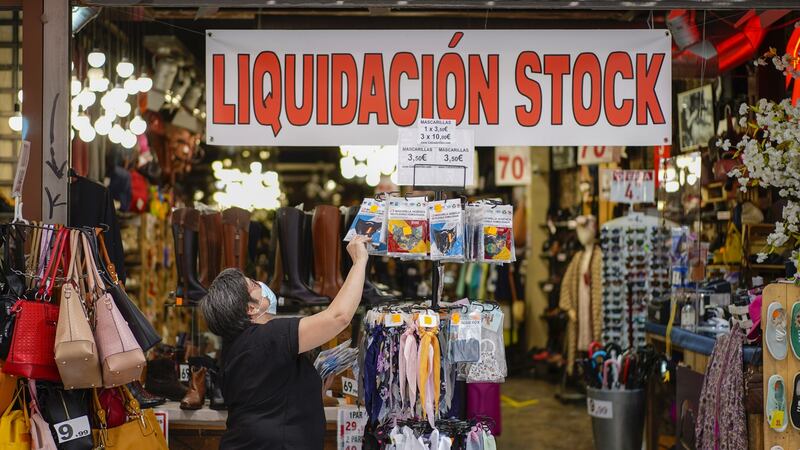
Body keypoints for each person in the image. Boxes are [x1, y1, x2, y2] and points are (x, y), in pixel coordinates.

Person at [200, 235, 371, 449]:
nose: (261, 284)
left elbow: (269, 397)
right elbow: (338, 317)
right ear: (251, 308)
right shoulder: (269, 336)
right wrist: (359, 262)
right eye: (254, 285)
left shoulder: (235, 347)